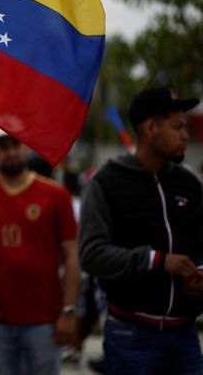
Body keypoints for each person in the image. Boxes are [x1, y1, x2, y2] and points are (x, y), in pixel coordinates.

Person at [78, 86, 203, 374]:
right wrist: (156, 260)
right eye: (177, 127)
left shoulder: (189, 184)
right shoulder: (106, 183)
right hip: (131, 337)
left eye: (186, 127)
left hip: (186, 337)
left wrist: (199, 272)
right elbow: (91, 254)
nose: (186, 135)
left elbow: (199, 243)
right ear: (150, 128)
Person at [0, 123, 80, 375]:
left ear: (26, 147)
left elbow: (72, 255)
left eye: (15, 144)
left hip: (45, 318)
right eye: (2, 146)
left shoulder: (56, 195)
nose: (10, 152)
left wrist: (69, 310)